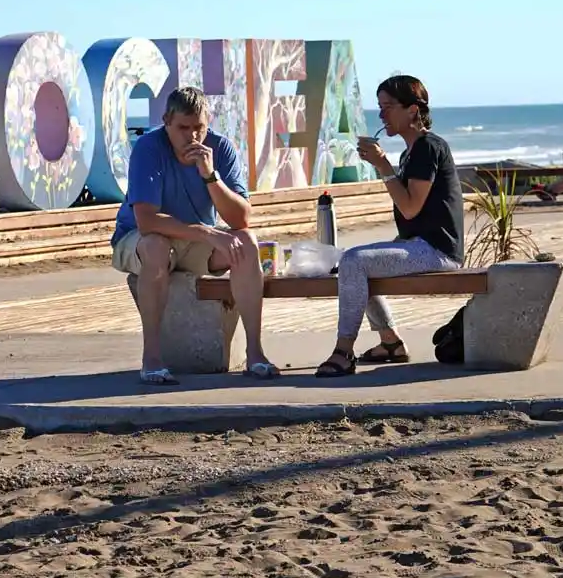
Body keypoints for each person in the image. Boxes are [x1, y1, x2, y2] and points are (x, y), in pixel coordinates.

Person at [111, 87, 279, 385]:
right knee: (156, 248)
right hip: (140, 238)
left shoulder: (221, 148)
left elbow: (241, 218)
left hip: (195, 243)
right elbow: (146, 220)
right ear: (166, 121)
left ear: (208, 121)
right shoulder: (149, 148)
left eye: (198, 128)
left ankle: (256, 353)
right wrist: (205, 232)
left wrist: (210, 176)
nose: (191, 137)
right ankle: (152, 358)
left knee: (247, 244)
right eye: (182, 128)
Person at [314, 75, 465, 377]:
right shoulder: (411, 152)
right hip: (423, 245)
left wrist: (383, 166)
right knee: (355, 260)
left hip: (439, 252)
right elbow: (416, 216)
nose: (382, 115)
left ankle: (343, 352)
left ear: (413, 110)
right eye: (380, 107)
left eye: (388, 107)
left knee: (355, 261)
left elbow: (410, 208)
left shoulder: (427, 147)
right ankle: (391, 342)